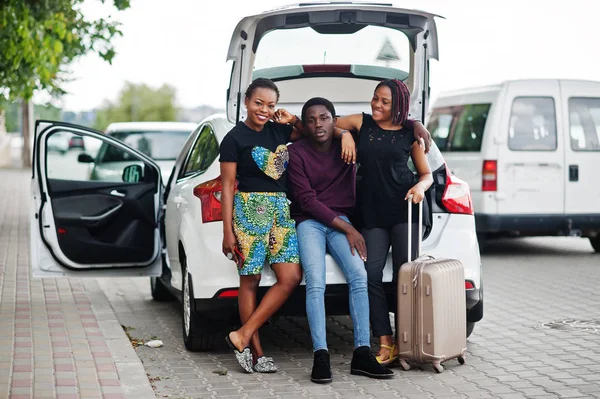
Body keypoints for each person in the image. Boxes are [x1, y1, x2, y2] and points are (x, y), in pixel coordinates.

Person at [219, 78, 352, 373]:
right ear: (246, 102)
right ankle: (255, 352)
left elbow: (318, 131)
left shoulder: (280, 130)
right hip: (248, 210)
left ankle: (241, 334)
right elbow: (228, 187)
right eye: (258, 103)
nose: (263, 110)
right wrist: (227, 230)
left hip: (281, 209)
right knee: (250, 280)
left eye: (270, 105)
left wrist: (297, 119)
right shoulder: (233, 139)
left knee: (291, 276)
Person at [287, 97, 394, 383]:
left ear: (334, 120)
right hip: (309, 222)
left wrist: (418, 125)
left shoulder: (349, 145)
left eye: (323, 118)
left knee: (359, 276)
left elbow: (389, 125)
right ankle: (320, 356)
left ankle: (362, 353)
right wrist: (349, 230)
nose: (317, 124)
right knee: (315, 281)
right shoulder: (295, 152)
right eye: (310, 120)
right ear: (305, 125)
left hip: (340, 221)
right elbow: (306, 201)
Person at [335, 79, 434, 366]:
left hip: (405, 209)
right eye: (375, 98)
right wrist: (346, 135)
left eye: (385, 101)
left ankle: (410, 340)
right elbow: (333, 124)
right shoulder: (361, 123)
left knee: (407, 276)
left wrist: (420, 188)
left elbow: (426, 174)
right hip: (371, 212)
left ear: (398, 106)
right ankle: (386, 341)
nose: (376, 104)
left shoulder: (409, 134)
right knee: (371, 274)